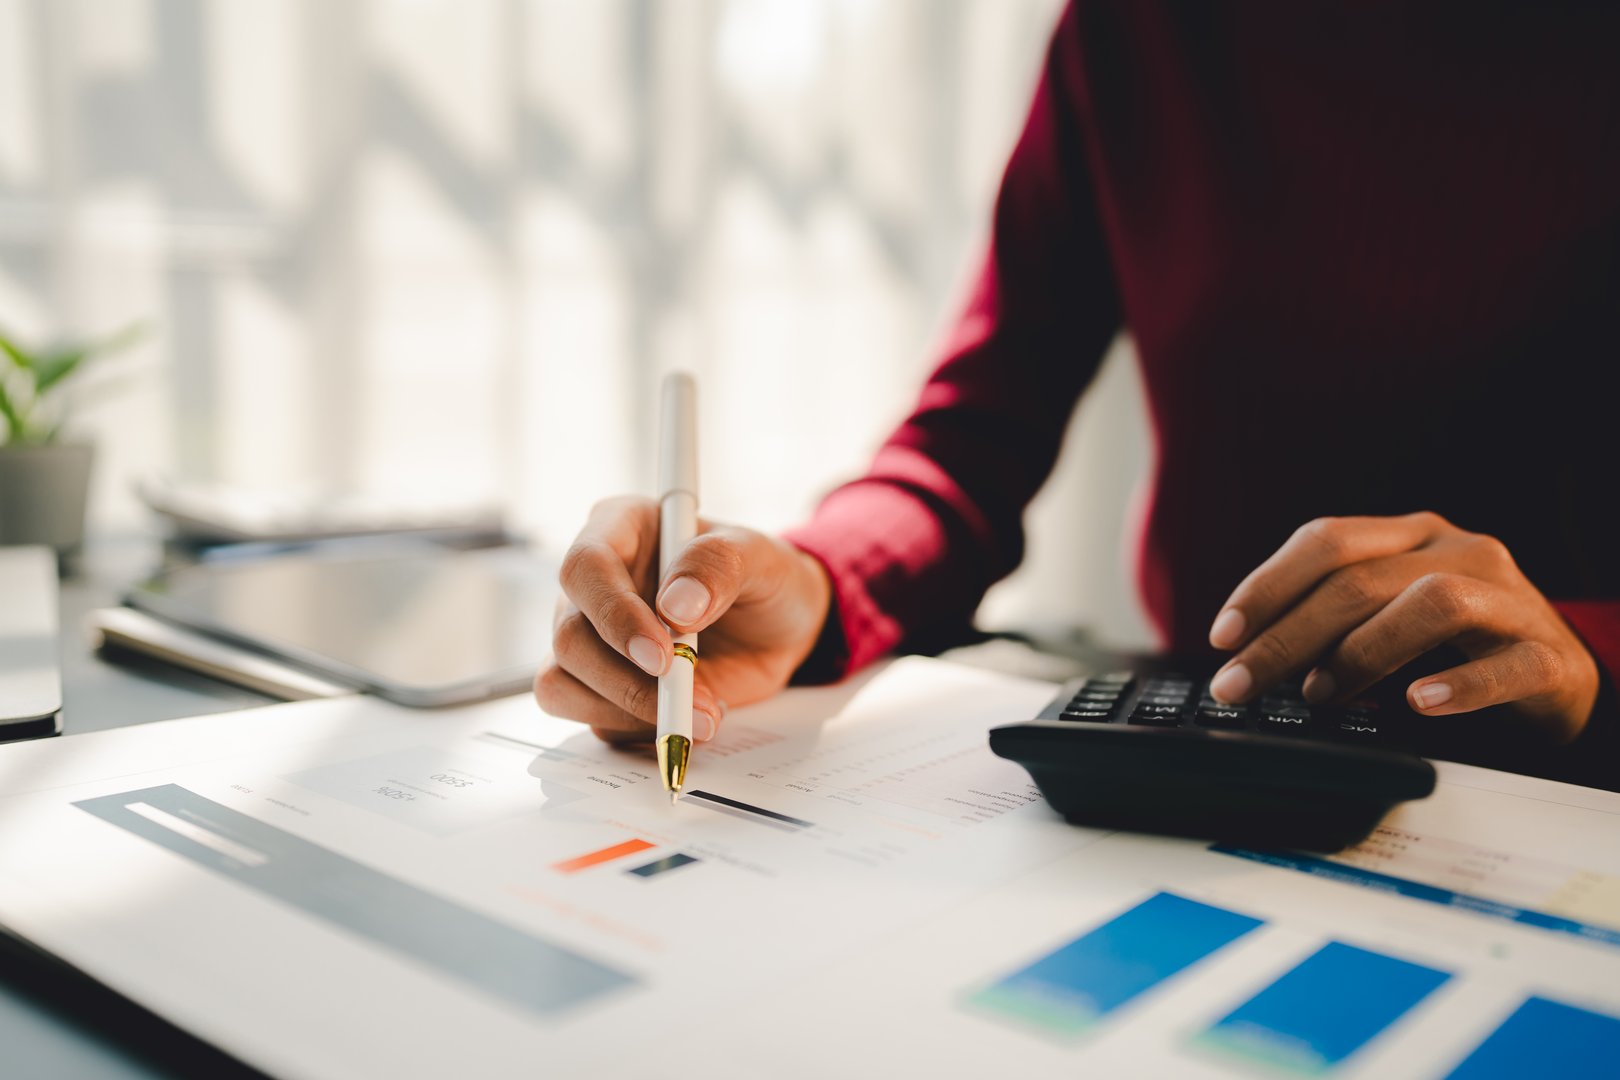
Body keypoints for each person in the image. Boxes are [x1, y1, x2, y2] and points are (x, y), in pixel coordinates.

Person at [536, 3, 1620, 789]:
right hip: (1210, 745)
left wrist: (1582, 654)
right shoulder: (1138, 32)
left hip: (1563, 772)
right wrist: (814, 583)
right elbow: (969, 441)